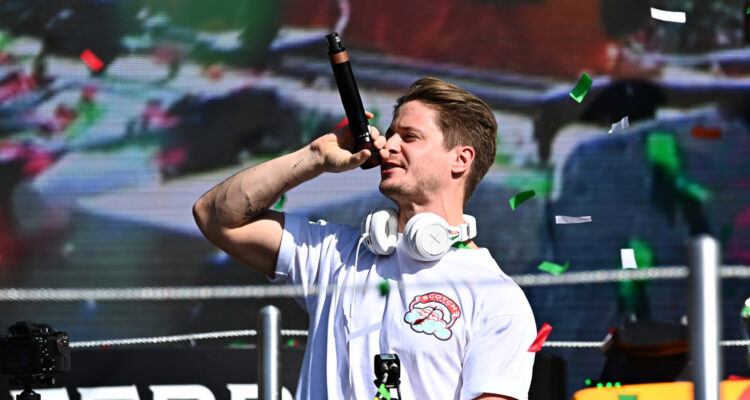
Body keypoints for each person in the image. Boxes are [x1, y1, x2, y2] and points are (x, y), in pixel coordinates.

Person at [193, 77, 537, 400]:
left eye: (409, 137)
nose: (388, 146)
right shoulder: (335, 253)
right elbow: (214, 215)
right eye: (390, 134)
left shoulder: (498, 299)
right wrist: (315, 156)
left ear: (461, 159)